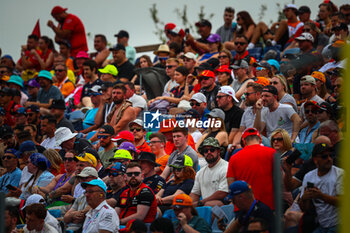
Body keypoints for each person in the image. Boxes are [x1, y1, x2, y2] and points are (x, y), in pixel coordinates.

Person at [299, 143, 343, 232]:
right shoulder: (309, 176)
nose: (329, 159)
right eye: (324, 157)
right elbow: (305, 209)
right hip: (321, 225)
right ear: (315, 160)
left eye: (331, 155)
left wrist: (321, 196)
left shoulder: (340, 174)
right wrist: (304, 198)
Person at [227, 128, 275, 210]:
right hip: (269, 206)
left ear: (244, 141)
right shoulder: (272, 153)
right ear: (260, 140)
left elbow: (231, 185)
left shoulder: (234, 158)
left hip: (243, 209)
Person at [191, 137, 229, 207]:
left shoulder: (226, 167)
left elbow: (223, 193)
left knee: (208, 205)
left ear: (218, 151)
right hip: (205, 204)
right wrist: (187, 205)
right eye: (205, 151)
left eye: (212, 150)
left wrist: (201, 202)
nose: (209, 152)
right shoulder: (200, 172)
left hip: (224, 204)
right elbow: (195, 194)